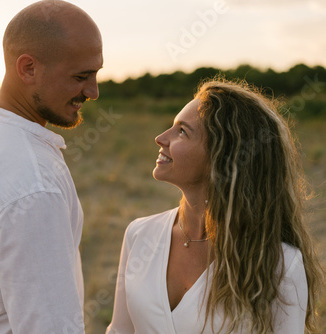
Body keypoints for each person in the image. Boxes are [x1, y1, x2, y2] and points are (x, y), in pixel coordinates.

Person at [0, 1, 103, 333]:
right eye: (81, 76)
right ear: (27, 68)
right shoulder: (34, 184)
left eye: (96, 73)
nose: (93, 91)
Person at [106, 78, 323, 334]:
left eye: (182, 132)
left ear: (223, 158)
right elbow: (120, 330)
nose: (160, 138)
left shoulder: (281, 264)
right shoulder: (139, 235)